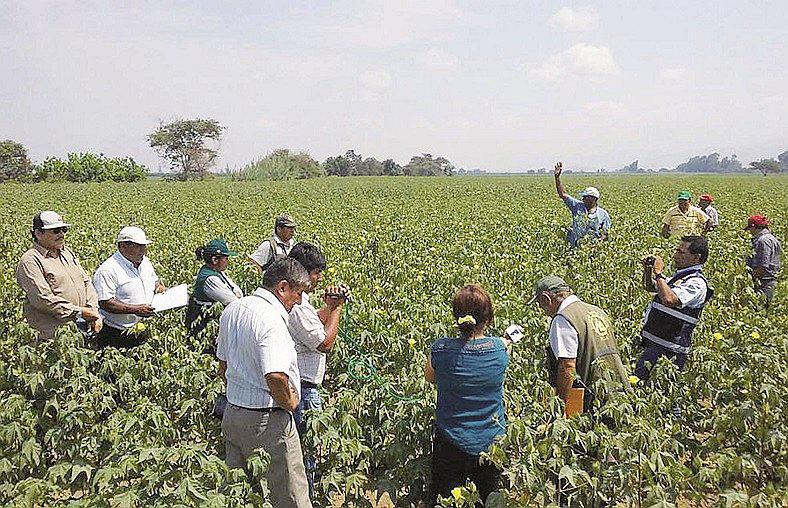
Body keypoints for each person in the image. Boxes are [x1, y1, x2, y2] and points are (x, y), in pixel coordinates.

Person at [217, 258, 312, 508]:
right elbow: (276, 375)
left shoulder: (233, 309)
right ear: (282, 287)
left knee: (240, 493)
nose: (299, 301)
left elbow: (223, 366)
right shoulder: (271, 319)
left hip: (233, 413)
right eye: (299, 293)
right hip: (266, 421)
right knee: (290, 497)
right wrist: (291, 403)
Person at [424, 285, 508, 506]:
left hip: (451, 442)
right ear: (488, 317)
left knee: (447, 499)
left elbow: (430, 377)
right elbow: (499, 346)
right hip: (492, 443)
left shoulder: (440, 349)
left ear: (456, 317)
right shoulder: (501, 349)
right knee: (489, 498)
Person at [287, 242, 349, 500]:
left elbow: (314, 318)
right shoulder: (298, 305)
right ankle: (306, 499)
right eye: (315, 273)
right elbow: (324, 342)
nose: (319, 278)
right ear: (302, 272)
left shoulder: (300, 299)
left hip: (303, 382)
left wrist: (329, 305)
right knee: (308, 448)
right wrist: (336, 309)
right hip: (303, 385)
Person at [528, 275, 630, 413]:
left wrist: (560, 407)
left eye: (540, 304)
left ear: (546, 299)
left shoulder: (563, 318)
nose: (541, 309)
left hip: (593, 397)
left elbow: (567, 367)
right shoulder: (597, 311)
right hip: (617, 389)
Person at [15, 211, 102, 341]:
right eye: (56, 231)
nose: (61, 234)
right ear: (39, 234)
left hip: (80, 328)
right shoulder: (30, 260)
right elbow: (43, 299)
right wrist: (80, 312)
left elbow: (86, 281)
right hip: (52, 336)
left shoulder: (67, 252)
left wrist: (93, 310)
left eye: (64, 229)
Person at [635, 236, 713, 380]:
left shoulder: (697, 283)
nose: (675, 256)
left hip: (670, 351)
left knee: (659, 391)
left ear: (696, 258)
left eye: (681, 252)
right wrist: (648, 270)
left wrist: (659, 273)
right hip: (654, 343)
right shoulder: (680, 277)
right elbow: (651, 287)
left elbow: (669, 299)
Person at [92, 226, 166, 349]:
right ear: (122, 246)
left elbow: (155, 281)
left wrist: (159, 288)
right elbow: (105, 302)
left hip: (143, 328)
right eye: (138, 246)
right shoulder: (108, 270)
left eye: (144, 246)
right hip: (117, 333)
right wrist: (135, 309)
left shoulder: (145, 262)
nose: (143, 250)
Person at [185, 239, 243, 337]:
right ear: (215, 260)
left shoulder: (217, 272)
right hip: (205, 323)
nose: (228, 261)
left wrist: (236, 294)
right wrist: (235, 294)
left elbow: (238, 291)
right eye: (226, 258)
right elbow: (232, 300)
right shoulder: (210, 278)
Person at [553, 162, 611, 248]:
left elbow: (606, 234)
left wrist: (594, 245)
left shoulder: (603, 215)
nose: (583, 199)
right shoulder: (577, 206)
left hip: (592, 250)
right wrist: (557, 177)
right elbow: (563, 194)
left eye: (585, 197)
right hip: (575, 248)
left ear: (593, 199)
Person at [744, 215, 781, 307]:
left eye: (750, 229)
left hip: (763, 283)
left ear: (753, 227)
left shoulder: (762, 241)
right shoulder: (772, 238)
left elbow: (762, 267)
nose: (750, 232)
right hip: (771, 282)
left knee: (759, 309)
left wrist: (748, 281)